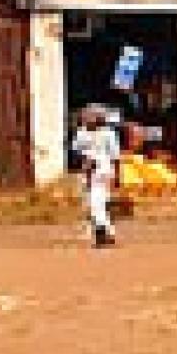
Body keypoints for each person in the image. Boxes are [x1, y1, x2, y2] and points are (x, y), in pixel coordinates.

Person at [72, 104, 122, 248]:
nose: (88, 119)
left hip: (103, 170)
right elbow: (76, 153)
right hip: (87, 170)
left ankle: (101, 234)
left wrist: (117, 176)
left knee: (98, 201)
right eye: (86, 116)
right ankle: (108, 232)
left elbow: (115, 156)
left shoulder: (108, 134)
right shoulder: (81, 134)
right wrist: (85, 163)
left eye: (92, 116)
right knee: (93, 202)